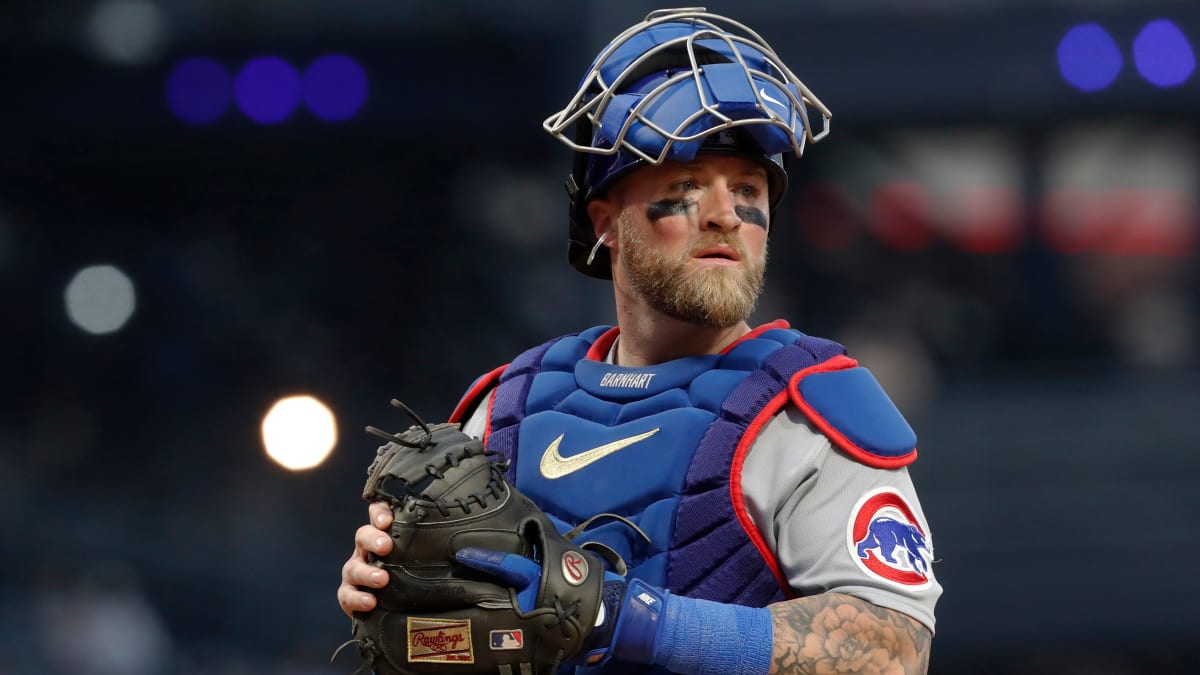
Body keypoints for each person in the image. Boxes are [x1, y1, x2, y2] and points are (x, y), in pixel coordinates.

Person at [338, 7, 941, 674]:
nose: (724, 215)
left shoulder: (807, 415)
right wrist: (392, 605)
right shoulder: (507, 409)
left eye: (747, 189)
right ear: (607, 224)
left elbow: (892, 653)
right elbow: (448, 643)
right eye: (684, 189)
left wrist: (629, 619)